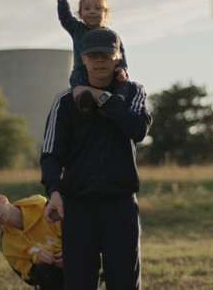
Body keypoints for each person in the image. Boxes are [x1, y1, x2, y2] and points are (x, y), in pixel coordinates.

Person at [40, 28, 152, 290]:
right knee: (79, 284)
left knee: (124, 284)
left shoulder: (134, 93)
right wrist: (53, 191)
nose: (99, 61)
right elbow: (50, 154)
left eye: (106, 55)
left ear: (117, 57)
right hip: (77, 208)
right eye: (93, 56)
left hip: (120, 206)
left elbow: (137, 129)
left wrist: (101, 98)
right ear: (83, 59)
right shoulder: (65, 101)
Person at [52, 0, 130, 113]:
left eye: (97, 8)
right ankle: (84, 102)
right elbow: (65, 18)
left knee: (124, 83)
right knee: (76, 80)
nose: (92, 12)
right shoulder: (77, 29)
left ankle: (119, 100)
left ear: (105, 13)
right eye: (87, 8)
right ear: (80, 14)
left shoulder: (111, 36)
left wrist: (122, 68)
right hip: (82, 69)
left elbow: (120, 53)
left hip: (106, 72)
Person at [0, 191, 63, 290]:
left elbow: (75, 235)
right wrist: (37, 258)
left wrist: (67, 256)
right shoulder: (7, 242)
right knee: (44, 270)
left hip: (77, 258)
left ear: (3, 199)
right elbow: (29, 277)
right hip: (54, 275)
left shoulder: (45, 208)